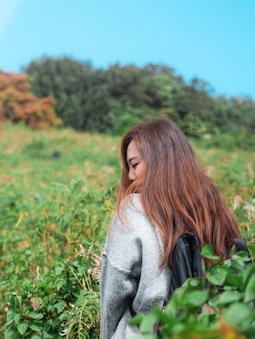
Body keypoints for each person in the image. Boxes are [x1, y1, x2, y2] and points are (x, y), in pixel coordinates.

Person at [100, 118, 242, 339]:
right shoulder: (212, 208)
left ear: (159, 161)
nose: (130, 176)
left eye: (135, 164)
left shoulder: (134, 209)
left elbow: (113, 296)